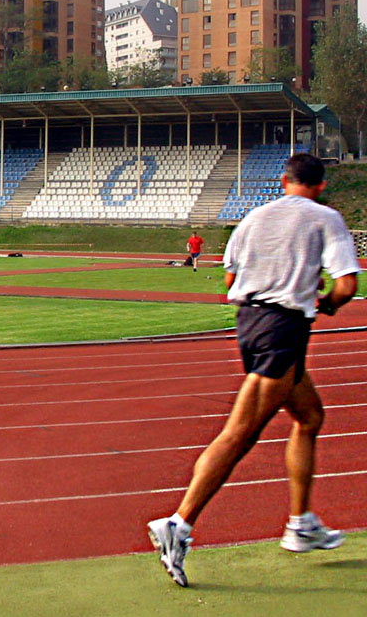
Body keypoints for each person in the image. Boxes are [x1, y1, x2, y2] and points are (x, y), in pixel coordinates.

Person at [147, 153, 360, 588]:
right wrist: (327, 303)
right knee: (240, 433)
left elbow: (230, 281)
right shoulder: (325, 218)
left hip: (249, 324)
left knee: (310, 417)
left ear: (284, 180)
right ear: (321, 185)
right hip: (283, 328)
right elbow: (347, 285)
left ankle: (300, 523)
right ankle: (178, 523)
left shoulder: (252, 218)